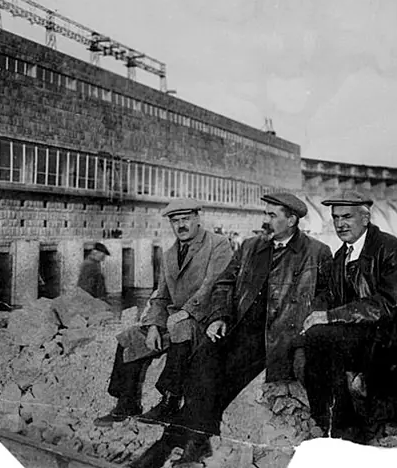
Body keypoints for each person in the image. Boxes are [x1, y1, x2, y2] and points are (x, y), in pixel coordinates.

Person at [128, 192, 333, 468]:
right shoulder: (250, 246)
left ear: (292, 220)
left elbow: (326, 295)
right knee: (202, 359)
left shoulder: (316, 252)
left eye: (272, 215)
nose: (266, 220)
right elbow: (224, 283)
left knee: (223, 380)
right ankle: (190, 441)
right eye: (266, 214)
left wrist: (309, 322)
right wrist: (219, 317)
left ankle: (177, 444)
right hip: (239, 327)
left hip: (277, 336)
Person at [300, 191, 397, 443]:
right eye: (335, 218)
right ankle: (332, 424)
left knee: (327, 340)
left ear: (365, 219)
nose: (340, 224)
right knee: (315, 338)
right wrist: (313, 316)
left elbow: (388, 304)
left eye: (347, 217)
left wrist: (330, 316)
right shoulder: (341, 256)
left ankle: (360, 424)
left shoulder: (390, 248)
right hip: (368, 333)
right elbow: (334, 298)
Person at [93, 199, 233, 428]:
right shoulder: (169, 255)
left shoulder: (218, 244)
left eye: (186, 219)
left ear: (197, 218)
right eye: (175, 221)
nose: (181, 225)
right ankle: (126, 403)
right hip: (175, 321)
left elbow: (214, 284)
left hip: (205, 320)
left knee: (180, 327)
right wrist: (154, 326)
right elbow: (161, 296)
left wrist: (186, 312)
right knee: (129, 337)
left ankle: (169, 403)